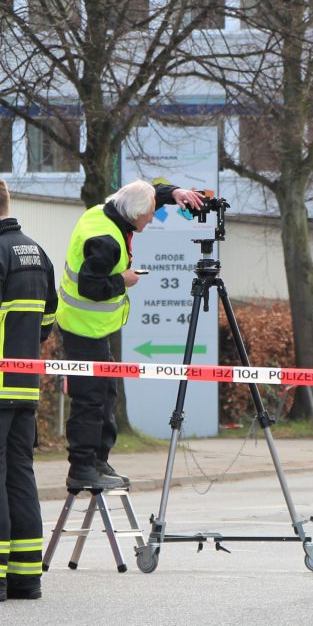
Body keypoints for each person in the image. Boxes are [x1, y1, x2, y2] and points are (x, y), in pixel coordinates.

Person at [57, 180, 203, 490]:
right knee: (91, 399)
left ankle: (98, 459)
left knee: (107, 393)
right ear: (135, 213)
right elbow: (91, 287)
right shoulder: (105, 240)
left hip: (94, 329)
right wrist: (124, 280)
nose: (152, 219)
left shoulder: (104, 212)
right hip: (84, 329)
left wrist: (173, 194)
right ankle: (82, 467)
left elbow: (147, 191)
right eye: (150, 215)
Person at [0, 179, 58, 601]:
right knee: (20, 473)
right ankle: (25, 576)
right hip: (24, 385)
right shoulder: (37, 252)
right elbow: (46, 323)